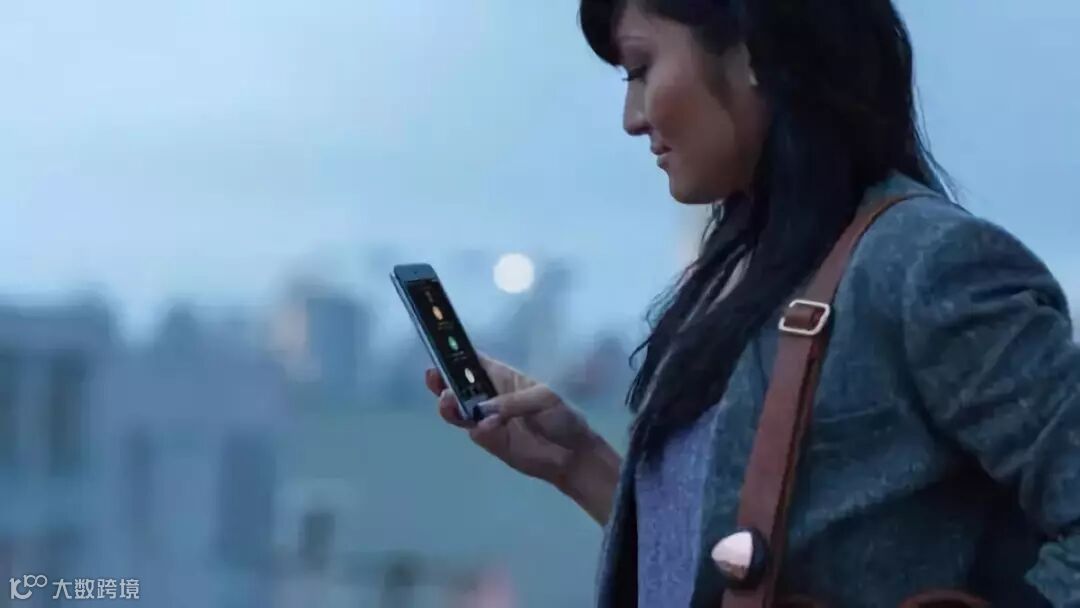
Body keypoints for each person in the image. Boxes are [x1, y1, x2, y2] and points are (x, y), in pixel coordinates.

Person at [423, 0, 1080, 606]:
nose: (631, 117)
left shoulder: (928, 263)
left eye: (642, 69)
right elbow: (726, 571)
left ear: (753, 54)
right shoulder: (741, 277)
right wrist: (580, 465)